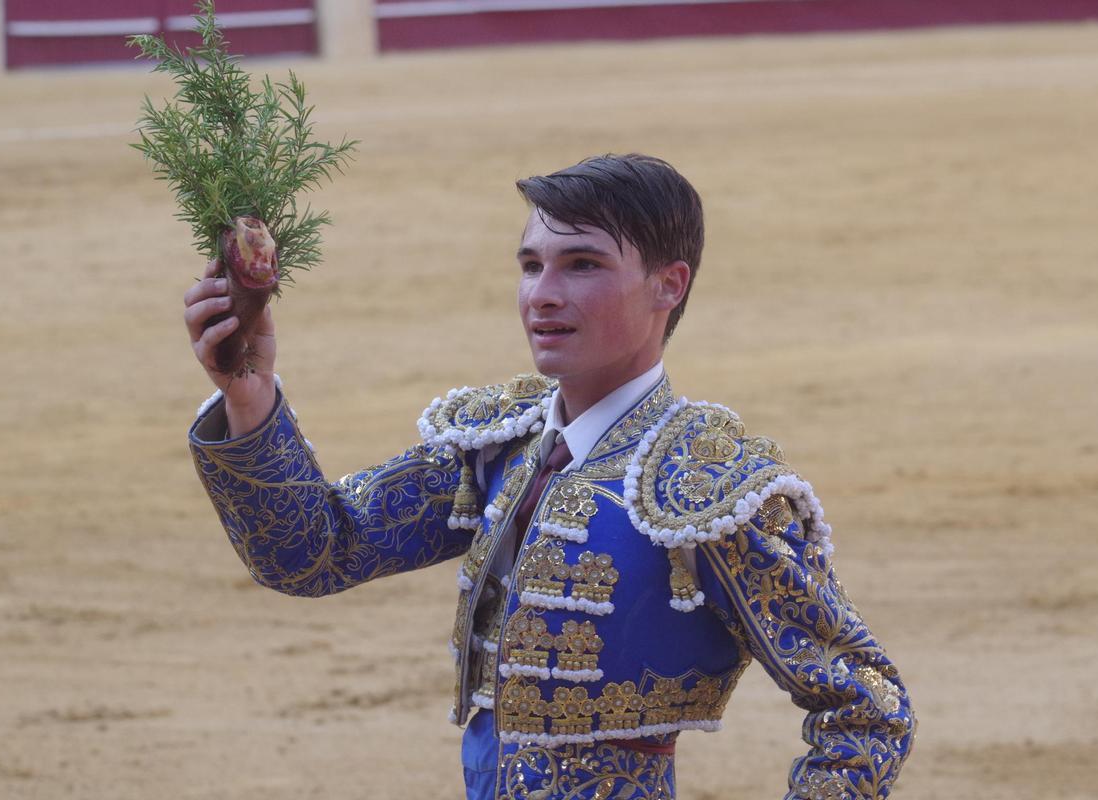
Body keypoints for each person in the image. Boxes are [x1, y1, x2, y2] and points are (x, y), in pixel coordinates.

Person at [182, 154, 915, 799]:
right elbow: (315, 552)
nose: (543, 294)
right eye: (531, 265)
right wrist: (251, 398)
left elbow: (867, 707)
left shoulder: (707, 488)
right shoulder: (499, 445)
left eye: (583, 264)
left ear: (669, 285)